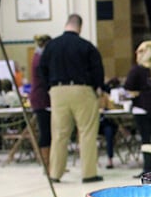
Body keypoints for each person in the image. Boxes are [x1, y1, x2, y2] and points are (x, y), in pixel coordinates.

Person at [38, 13, 105, 183]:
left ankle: (55, 173)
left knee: (59, 134)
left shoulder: (51, 46)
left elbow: (41, 69)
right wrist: (97, 87)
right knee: (87, 132)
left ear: (66, 24)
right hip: (82, 90)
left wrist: (50, 88)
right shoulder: (86, 46)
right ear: (80, 27)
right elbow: (98, 70)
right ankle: (89, 174)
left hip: (57, 91)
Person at [124, 39, 151, 178]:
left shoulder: (137, 69)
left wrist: (137, 92)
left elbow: (128, 86)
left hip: (142, 108)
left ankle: (147, 170)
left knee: (146, 139)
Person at [30, 34, 51, 168]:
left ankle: (50, 163)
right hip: (40, 99)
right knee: (45, 133)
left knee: (48, 132)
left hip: (42, 98)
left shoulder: (37, 57)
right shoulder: (40, 60)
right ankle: (46, 164)